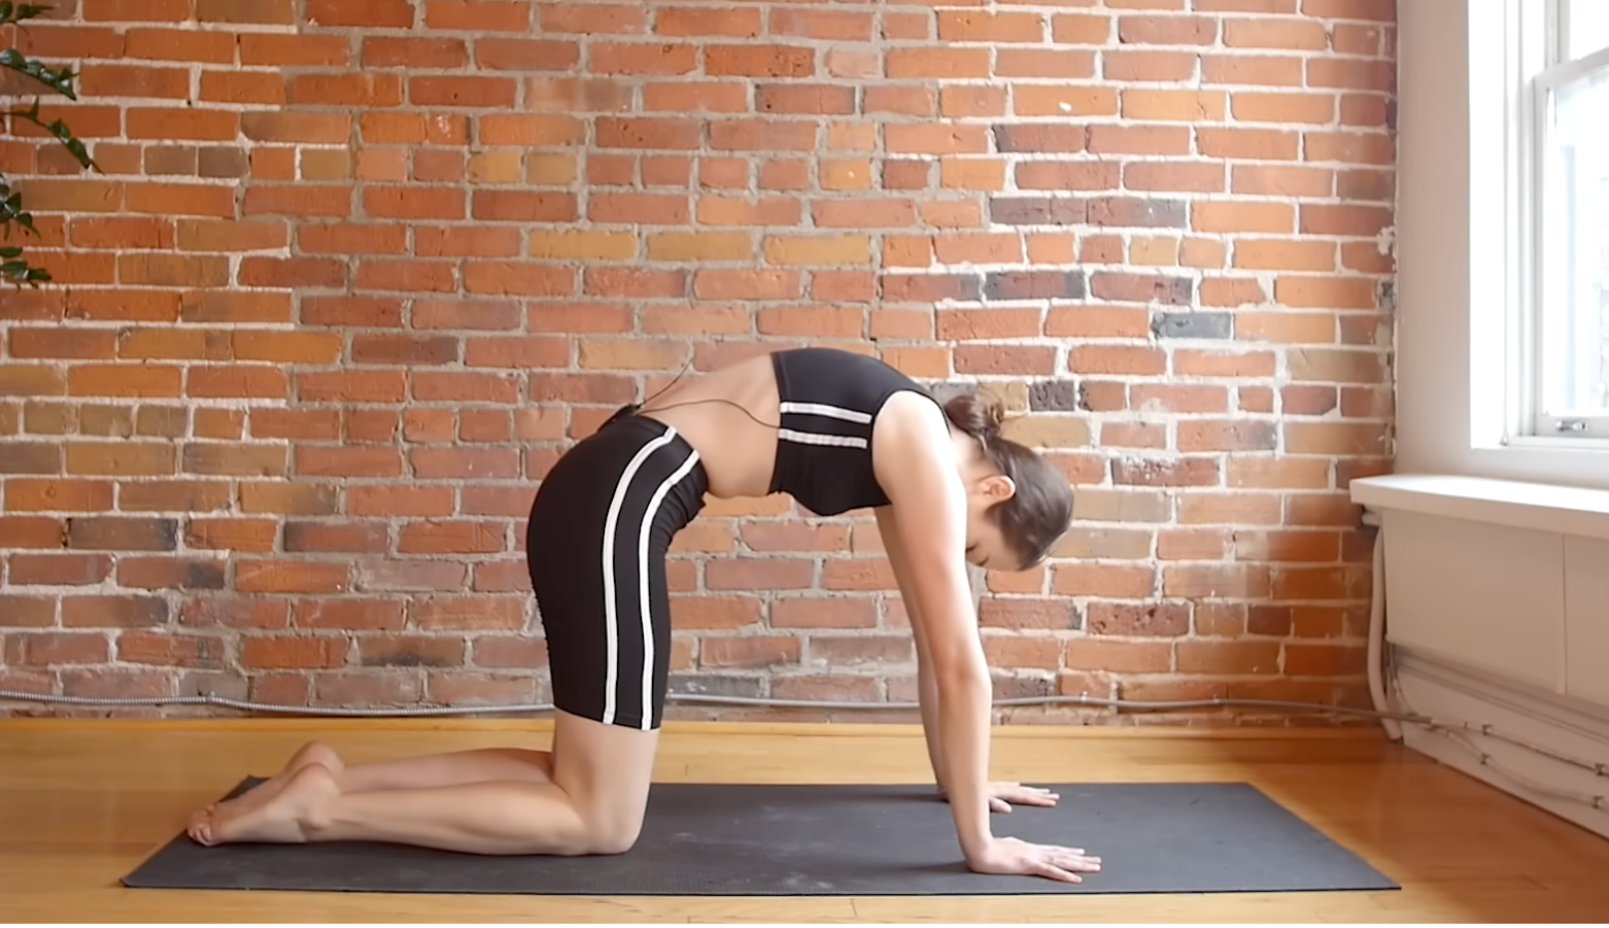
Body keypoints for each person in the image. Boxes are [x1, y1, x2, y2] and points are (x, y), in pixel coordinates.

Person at [186, 346, 1097, 883]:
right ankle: (320, 812)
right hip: (620, 497)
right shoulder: (921, 448)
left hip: (606, 489)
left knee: (578, 777)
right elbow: (960, 661)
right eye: (982, 552)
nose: (964, 567)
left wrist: (961, 784)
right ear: (994, 487)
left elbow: (931, 643)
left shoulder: (912, 443)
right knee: (599, 819)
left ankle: (333, 776)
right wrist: (981, 847)